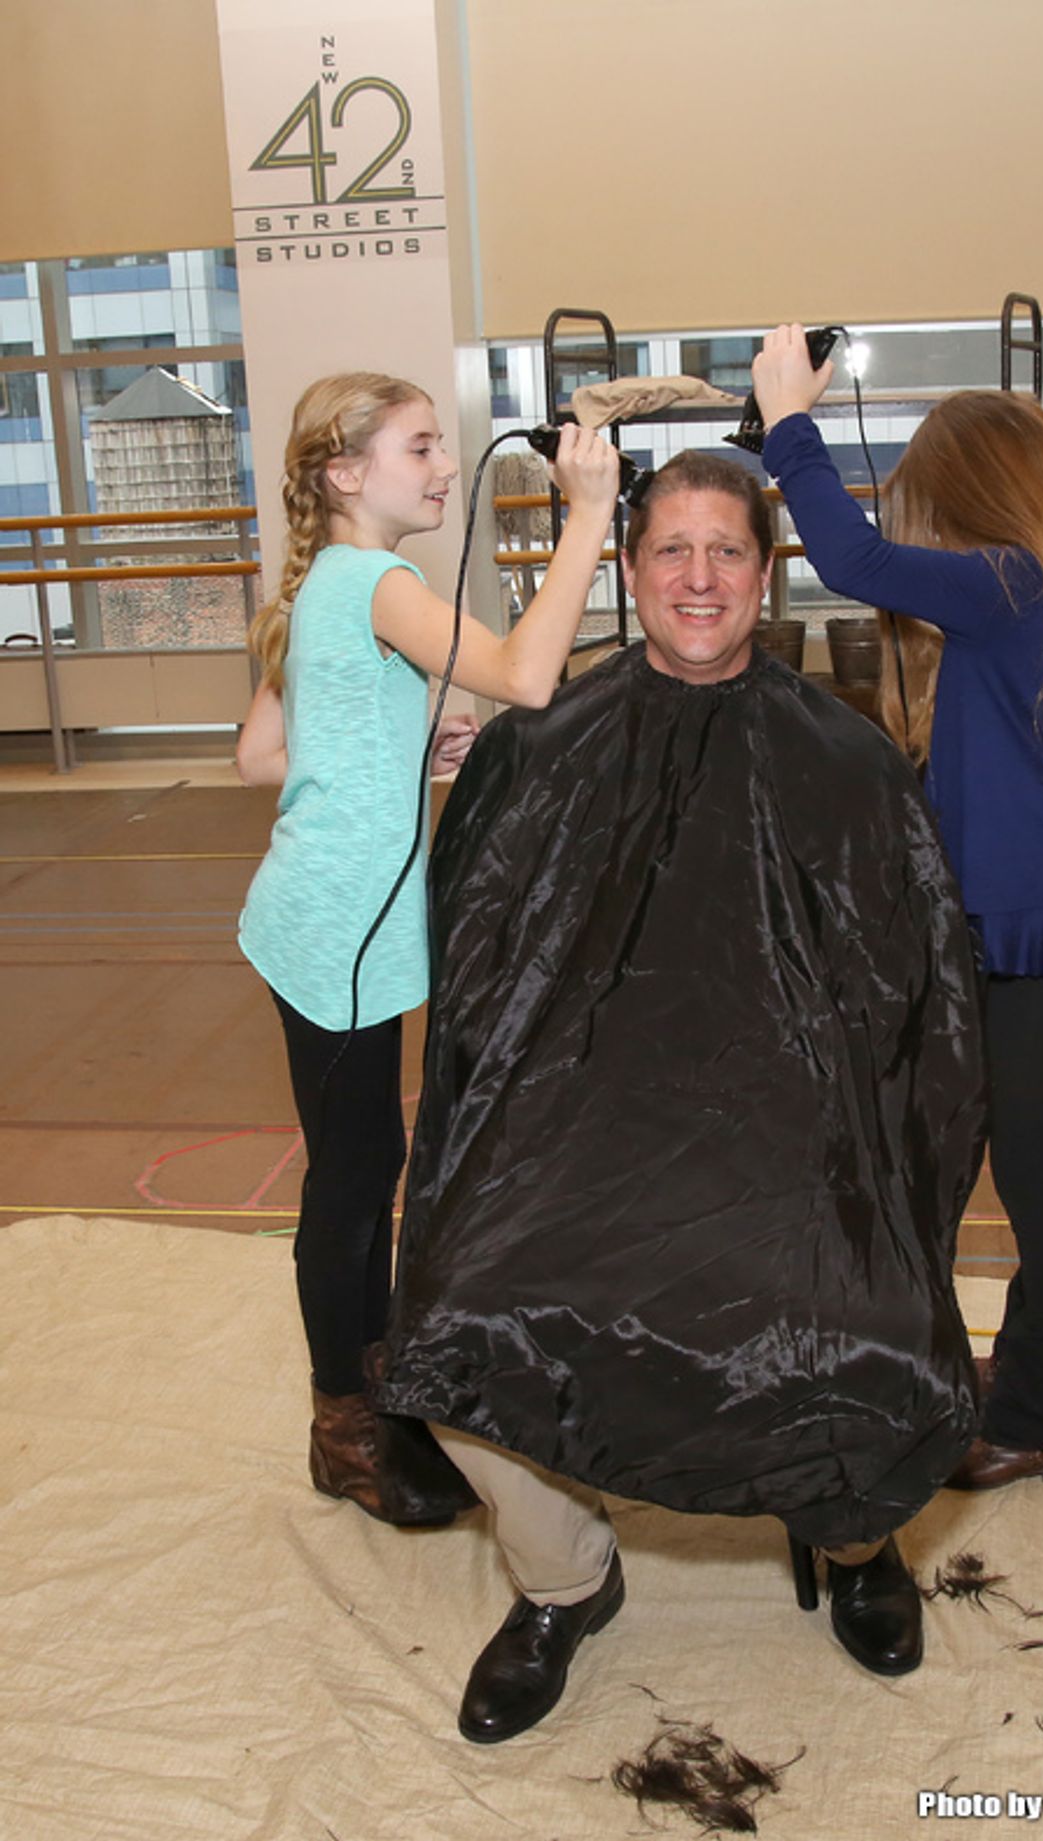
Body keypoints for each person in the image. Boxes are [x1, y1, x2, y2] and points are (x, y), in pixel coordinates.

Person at [373, 450, 985, 1742]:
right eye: (671, 551)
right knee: (453, 1317)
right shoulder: (544, 744)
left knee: (876, 1326)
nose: (699, 578)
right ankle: (563, 1581)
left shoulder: (847, 757)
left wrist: (865, 1166)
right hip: (581, 1139)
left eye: (727, 552)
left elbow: (914, 1003)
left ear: (767, 577)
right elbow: (488, 988)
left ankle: (855, 1539)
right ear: (628, 569)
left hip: (796, 1148)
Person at [751, 324, 1043, 1491]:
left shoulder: (1009, 581)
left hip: (1037, 929)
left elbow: (853, 561)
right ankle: (1039, 1366)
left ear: (969, 494)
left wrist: (785, 425)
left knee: (1034, 1170)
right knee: (1024, 1157)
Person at [235, 371, 619, 1528]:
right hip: (338, 928)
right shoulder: (378, 580)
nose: (444, 467)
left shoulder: (322, 586)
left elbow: (264, 752)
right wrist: (590, 514)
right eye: (419, 449)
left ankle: (373, 1390)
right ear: (346, 474)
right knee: (350, 1186)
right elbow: (526, 675)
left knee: (364, 1166)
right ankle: (344, 1424)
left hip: (319, 913)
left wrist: (404, 732)